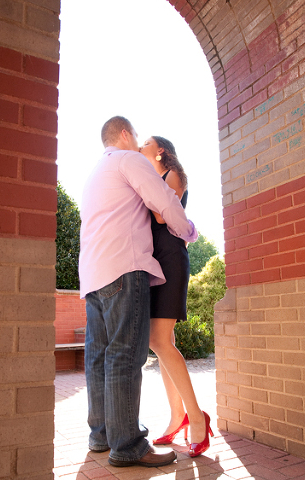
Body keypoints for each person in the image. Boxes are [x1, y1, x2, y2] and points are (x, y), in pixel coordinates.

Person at [79, 116, 198, 468]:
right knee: (125, 357)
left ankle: (101, 435)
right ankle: (128, 443)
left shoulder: (94, 174)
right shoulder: (128, 159)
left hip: (92, 275)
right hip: (124, 268)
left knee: (98, 358)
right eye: (137, 137)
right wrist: (188, 230)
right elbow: (164, 202)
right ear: (126, 135)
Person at [139, 136, 213, 457]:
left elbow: (160, 216)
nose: (141, 148)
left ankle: (196, 419)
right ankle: (177, 418)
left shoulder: (173, 175)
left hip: (171, 258)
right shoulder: (152, 180)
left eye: (146, 144)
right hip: (156, 262)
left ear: (161, 151)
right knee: (160, 342)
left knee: (160, 341)